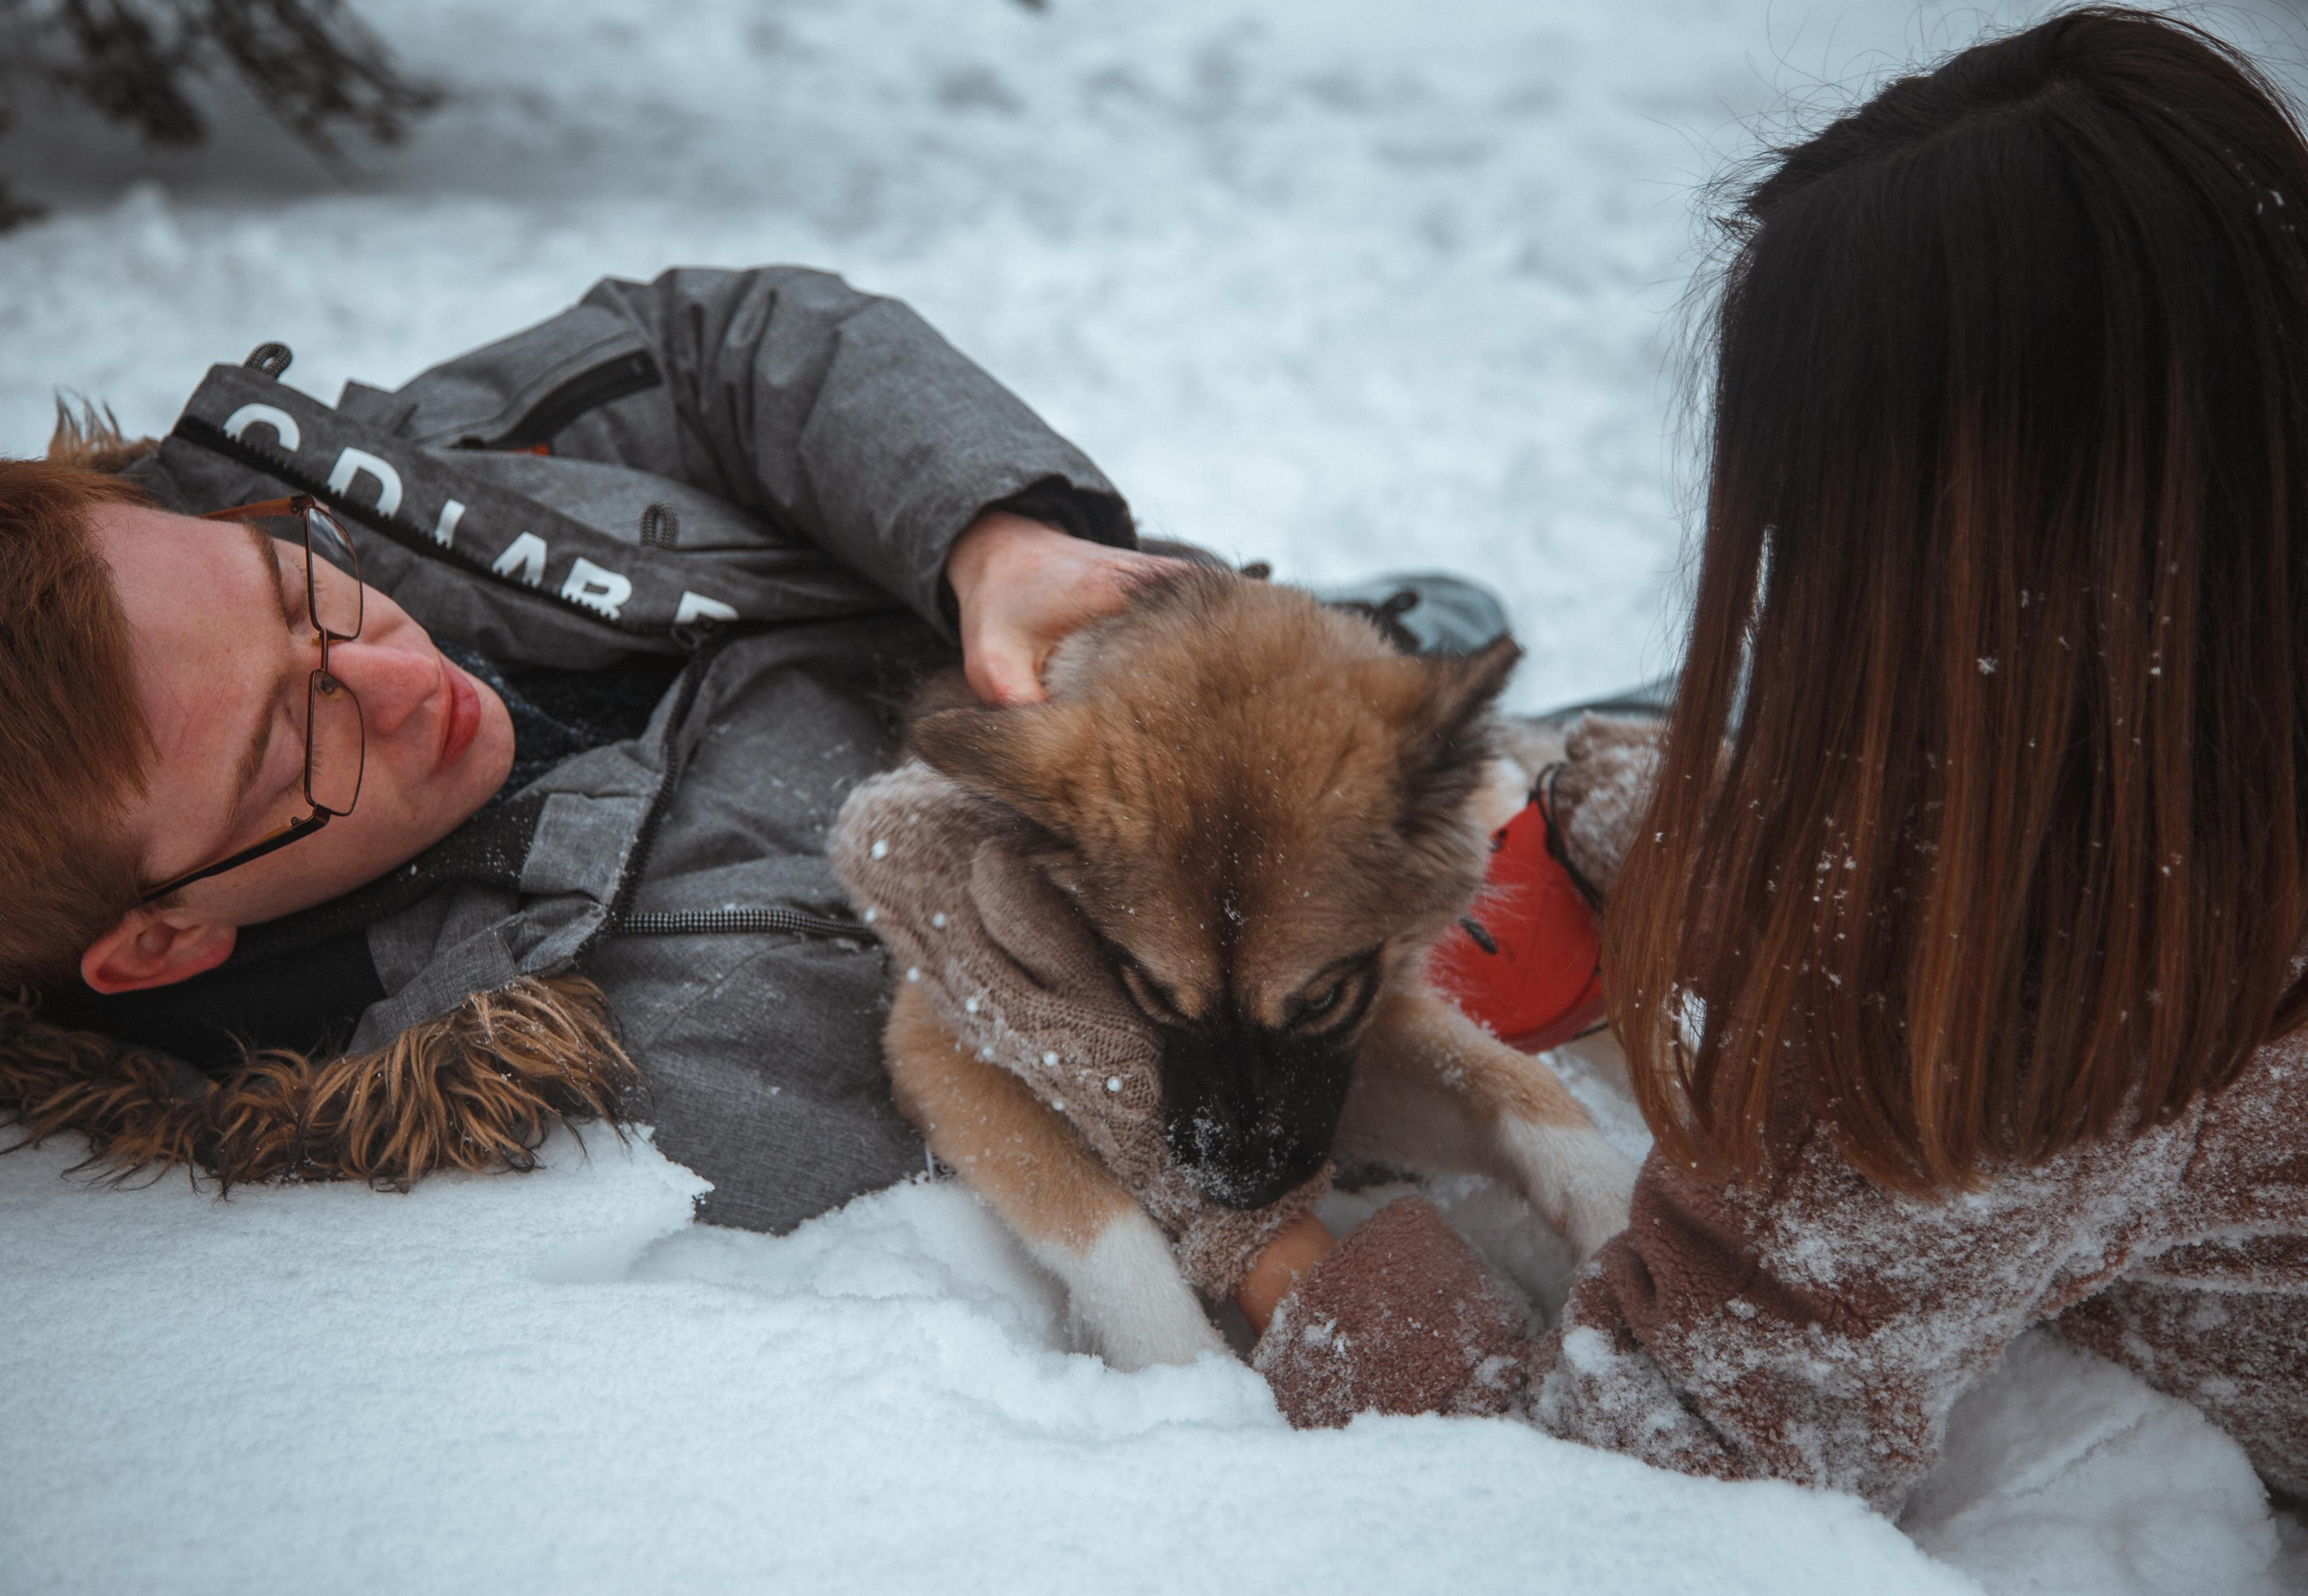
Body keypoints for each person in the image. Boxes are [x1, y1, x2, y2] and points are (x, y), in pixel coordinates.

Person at [901, 7, 2308, 1515]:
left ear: (1927, 572)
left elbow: (1632, 1485)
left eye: (1802, 534)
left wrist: (1270, 1260)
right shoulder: (2192, 734)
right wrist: (1593, 802)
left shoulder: (2018, 1009)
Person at [0, 266, 1225, 1228]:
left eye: (288, 582)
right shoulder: (618, 1093)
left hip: (1232, 632)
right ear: (162, 941)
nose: (396, 668)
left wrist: (994, 541)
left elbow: (706, 350)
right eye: (290, 741)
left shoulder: (358, 494)